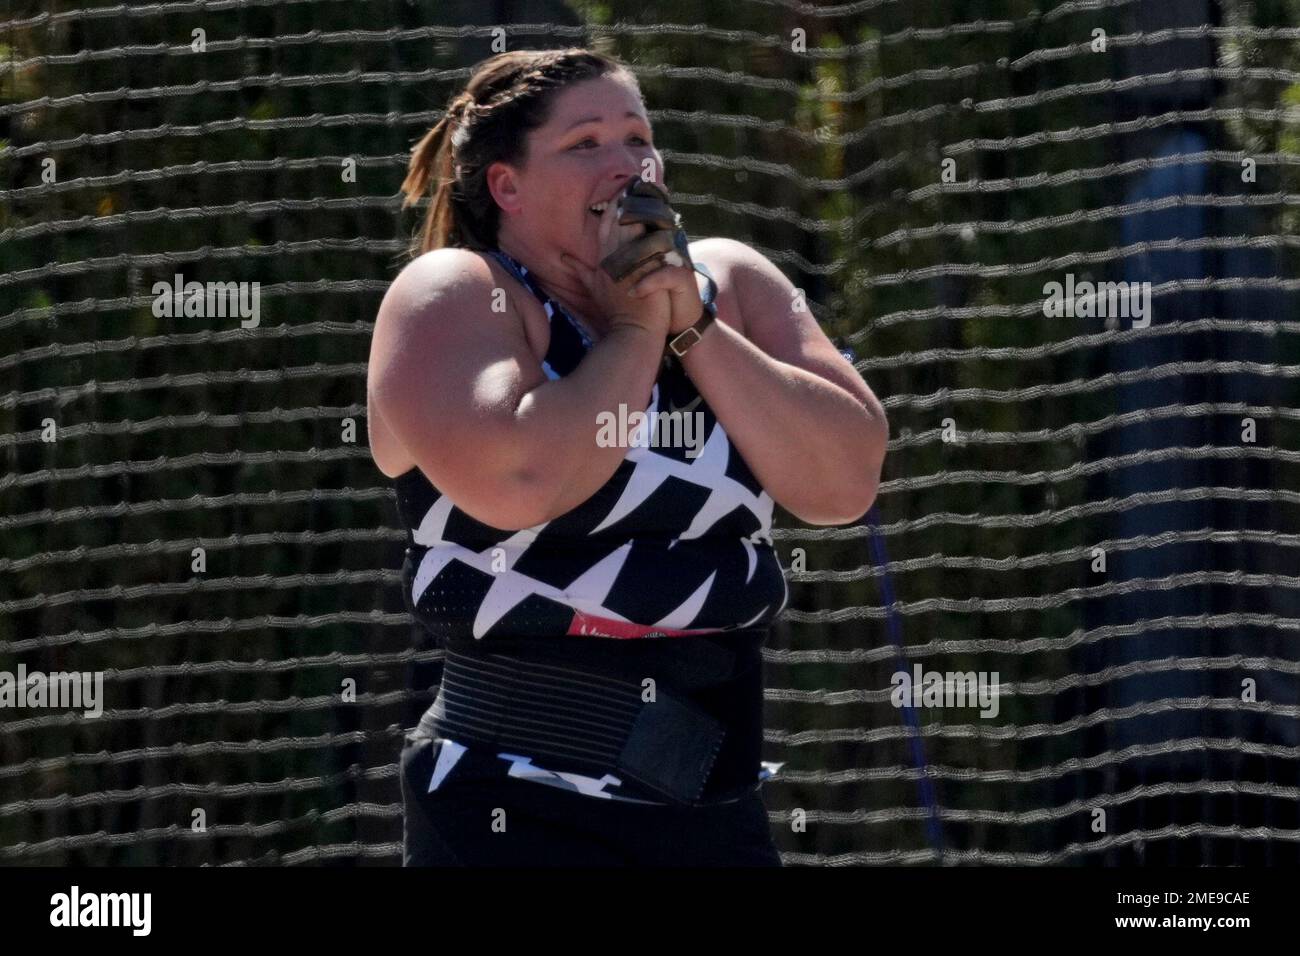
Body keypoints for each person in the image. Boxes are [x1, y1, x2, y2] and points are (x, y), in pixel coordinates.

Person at [366, 48, 889, 865]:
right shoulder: (455, 294)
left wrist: (696, 330)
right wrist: (637, 331)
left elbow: (844, 480)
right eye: (585, 144)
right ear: (507, 186)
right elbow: (526, 478)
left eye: (638, 138)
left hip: (712, 807)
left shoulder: (733, 283)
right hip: (512, 806)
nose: (627, 164)